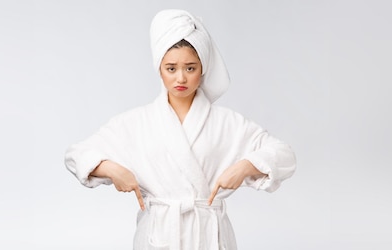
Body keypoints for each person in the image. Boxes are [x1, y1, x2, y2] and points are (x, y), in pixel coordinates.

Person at [65, 9, 296, 250]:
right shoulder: (137, 122)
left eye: (190, 68)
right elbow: (75, 155)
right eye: (171, 68)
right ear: (159, 69)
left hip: (210, 237)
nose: (181, 78)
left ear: (202, 69)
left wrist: (245, 166)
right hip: (158, 236)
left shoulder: (227, 122)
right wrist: (110, 169)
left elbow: (285, 155)